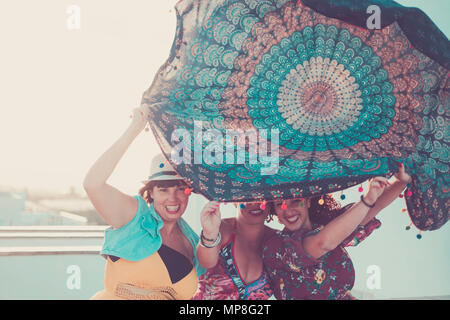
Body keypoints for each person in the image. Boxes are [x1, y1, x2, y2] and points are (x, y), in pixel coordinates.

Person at [84, 105, 204, 300]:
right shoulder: (134, 217)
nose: (172, 198)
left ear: (189, 193)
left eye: (180, 189)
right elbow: (93, 184)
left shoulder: (191, 240)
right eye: (163, 189)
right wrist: (134, 129)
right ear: (151, 193)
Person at [263, 164, 412, 300]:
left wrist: (402, 180)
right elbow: (322, 243)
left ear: (308, 201)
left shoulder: (328, 225)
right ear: (274, 211)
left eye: (296, 200)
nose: (288, 210)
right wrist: (367, 199)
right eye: (279, 204)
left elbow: (373, 207)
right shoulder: (275, 247)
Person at [193, 200, 275, 300]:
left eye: (262, 196)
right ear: (234, 200)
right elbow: (206, 262)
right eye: (248, 196)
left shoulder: (279, 241)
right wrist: (209, 233)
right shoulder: (221, 228)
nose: (255, 203)